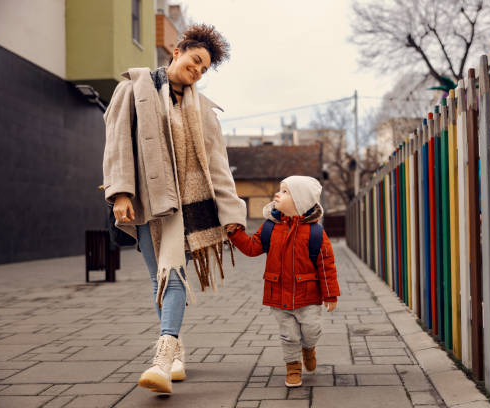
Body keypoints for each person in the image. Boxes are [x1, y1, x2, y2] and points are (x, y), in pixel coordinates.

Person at [102, 24, 246, 393]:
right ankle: (178, 352)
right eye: (195, 61)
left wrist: (232, 216)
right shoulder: (133, 88)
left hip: (189, 207)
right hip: (149, 202)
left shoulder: (204, 110)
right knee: (159, 278)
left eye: (203, 69)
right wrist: (120, 194)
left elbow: (217, 165)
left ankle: (163, 360)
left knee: (174, 275)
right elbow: (117, 144)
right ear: (179, 50)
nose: (197, 71)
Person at [227, 176, 340, 387]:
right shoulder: (270, 227)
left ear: (301, 201)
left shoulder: (315, 232)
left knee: (311, 330)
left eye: (285, 192)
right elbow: (252, 248)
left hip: (308, 296)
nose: (278, 194)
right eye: (280, 190)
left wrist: (330, 294)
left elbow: (326, 264)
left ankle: (309, 348)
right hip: (279, 295)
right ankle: (293, 368)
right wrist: (235, 233)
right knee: (289, 336)